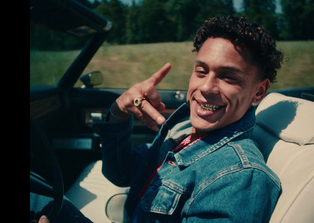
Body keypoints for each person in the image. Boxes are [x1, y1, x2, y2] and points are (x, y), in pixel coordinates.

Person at [93, 15, 284, 222]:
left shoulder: (238, 177)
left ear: (258, 91)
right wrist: (118, 112)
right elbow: (121, 173)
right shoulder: (183, 132)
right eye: (201, 71)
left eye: (228, 77)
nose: (205, 87)